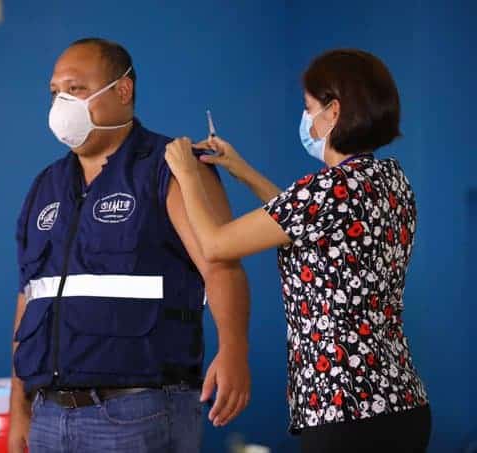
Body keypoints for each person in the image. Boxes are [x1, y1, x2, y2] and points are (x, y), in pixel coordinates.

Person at [165, 49, 431, 453]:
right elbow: (305, 229)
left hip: (344, 411)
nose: (306, 120)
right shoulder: (389, 181)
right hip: (402, 402)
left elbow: (217, 245)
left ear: (334, 112)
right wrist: (242, 169)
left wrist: (186, 174)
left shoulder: (327, 189)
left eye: (309, 108)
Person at [9, 38, 251, 453]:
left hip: (138, 411)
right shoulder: (45, 186)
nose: (62, 103)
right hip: (49, 416)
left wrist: (234, 349)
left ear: (122, 91)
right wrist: (20, 409)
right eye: (55, 92)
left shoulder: (172, 166)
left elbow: (221, 264)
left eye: (77, 89)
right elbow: (30, 298)